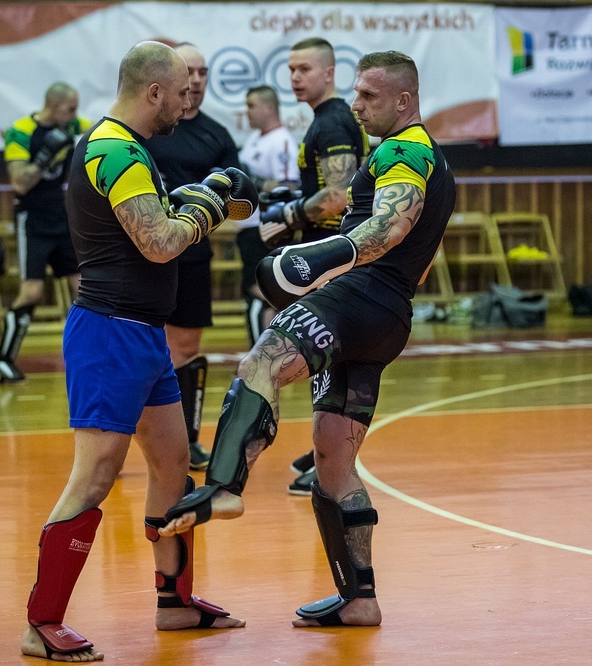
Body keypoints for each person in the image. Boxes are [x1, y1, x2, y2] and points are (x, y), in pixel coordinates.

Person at [160, 50, 456, 629]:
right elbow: (424, 253)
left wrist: (317, 257)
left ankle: (223, 486)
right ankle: (360, 598)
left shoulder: (403, 151)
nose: (356, 105)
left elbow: (389, 226)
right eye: (356, 92)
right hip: (389, 314)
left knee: (263, 360)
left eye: (368, 95)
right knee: (332, 460)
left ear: (404, 100)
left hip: (360, 296)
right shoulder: (433, 160)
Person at [19, 41, 255, 661]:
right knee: (95, 475)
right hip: (111, 333)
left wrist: (195, 200)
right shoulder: (116, 151)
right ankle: (41, 623)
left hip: (144, 334)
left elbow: (150, 227)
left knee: (173, 466)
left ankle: (175, 602)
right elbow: (157, 242)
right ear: (153, 92)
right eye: (179, 93)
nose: (186, 103)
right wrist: (207, 207)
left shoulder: (130, 148)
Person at [257, 37, 369, 495]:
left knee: (327, 357)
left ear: (329, 73)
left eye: (304, 69)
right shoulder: (325, 120)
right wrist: (294, 201)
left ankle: (331, 459)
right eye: (291, 69)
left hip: (333, 258)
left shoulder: (334, 122)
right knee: (324, 356)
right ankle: (324, 448)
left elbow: (340, 196)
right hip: (327, 253)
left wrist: (290, 214)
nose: (295, 77)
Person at [146, 42, 242, 471]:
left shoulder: (217, 135)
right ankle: (124, 433)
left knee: (184, 347)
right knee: (141, 347)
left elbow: (238, 197)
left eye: (203, 72)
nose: (198, 80)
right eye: (190, 71)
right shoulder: (146, 129)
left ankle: (186, 441)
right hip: (145, 255)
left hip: (193, 253)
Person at [0, 83, 90, 383]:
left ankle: (87, 357)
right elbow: (19, 183)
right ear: (54, 106)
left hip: (61, 216)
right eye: (70, 109)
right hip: (32, 219)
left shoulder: (72, 125)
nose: (74, 116)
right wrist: (46, 154)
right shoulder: (21, 132)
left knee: (84, 290)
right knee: (32, 292)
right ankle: (4, 359)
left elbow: (103, 130)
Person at [236, 85, 301, 346]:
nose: (247, 111)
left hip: (266, 229)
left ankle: (263, 352)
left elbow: (290, 187)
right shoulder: (254, 139)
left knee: (262, 293)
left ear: (269, 107)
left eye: (251, 105)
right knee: (253, 291)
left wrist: (255, 183)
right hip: (248, 228)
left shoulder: (281, 141)